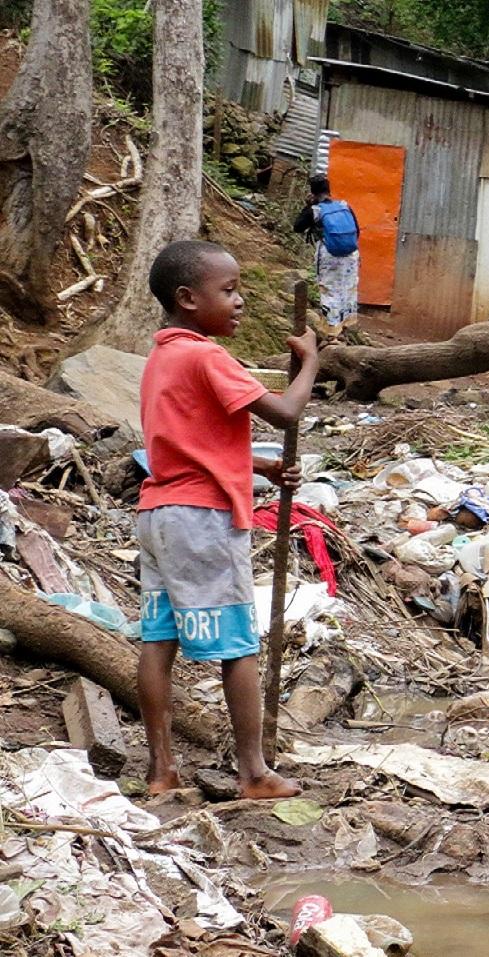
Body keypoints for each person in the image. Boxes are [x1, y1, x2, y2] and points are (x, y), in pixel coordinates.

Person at [138, 239, 319, 800]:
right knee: (238, 644)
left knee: (158, 640)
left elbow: (190, 444)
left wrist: (261, 465)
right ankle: (253, 772)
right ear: (188, 299)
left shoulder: (161, 357)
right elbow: (286, 410)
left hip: (159, 514)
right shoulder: (206, 356)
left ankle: (162, 770)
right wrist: (311, 360)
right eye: (230, 290)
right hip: (202, 519)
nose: (239, 301)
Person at [292, 175, 360, 337]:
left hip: (329, 256)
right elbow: (357, 230)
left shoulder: (315, 210)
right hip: (351, 256)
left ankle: (331, 333)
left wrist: (308, 206)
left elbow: (297, 227)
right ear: (329, 190)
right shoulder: (344, 206)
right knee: (347, 289)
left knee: (330, 291)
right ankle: (344, 327)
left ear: (313, 192)